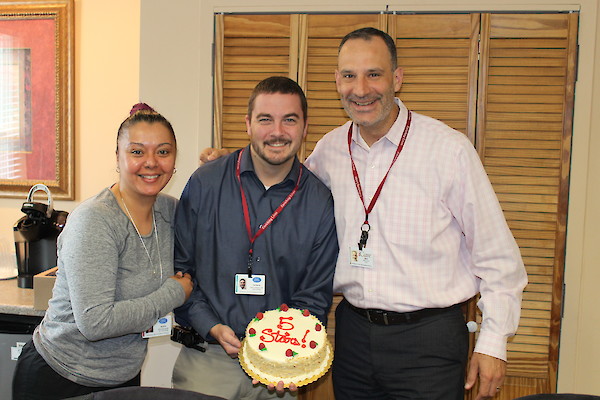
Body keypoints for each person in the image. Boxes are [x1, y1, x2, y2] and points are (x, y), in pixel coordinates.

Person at [201, 28, 528, 400]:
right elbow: (282, 188)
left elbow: (499, 260)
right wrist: (231, 162)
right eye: (349, 76)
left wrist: (493, 343)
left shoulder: (448, 151)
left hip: (429, 340)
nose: (361, 89)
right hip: (354, 335)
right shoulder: (329, 151)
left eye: (374, 74)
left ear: (397, 78)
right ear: (336, 82)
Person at [172, 76, 338, 400]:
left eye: (289, 120)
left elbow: (314, 295)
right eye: (265, 119)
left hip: (278, 372)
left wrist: (290, 354)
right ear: (248, 124)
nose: (277, 132)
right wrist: (211, 325)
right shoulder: (205, 183)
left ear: (305, 128)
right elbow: (181, 270)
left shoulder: (318, 201)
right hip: (208, 360)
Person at [13, 103, 194, 400]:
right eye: (137, 152)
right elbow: (95, 322)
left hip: (123, 376)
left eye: (163, 151)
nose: (151, 162)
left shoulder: (170, 211)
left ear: (174, 160)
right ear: (118, 158)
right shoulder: (95, 220)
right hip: (62, 376)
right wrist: (174, 293)